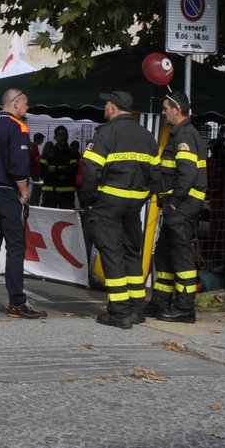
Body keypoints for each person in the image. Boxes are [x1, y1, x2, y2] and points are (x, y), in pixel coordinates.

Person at [81, 91, 159, 328]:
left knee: (112, 254)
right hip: (135, 205)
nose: (105, 108)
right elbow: (156, 175)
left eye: (106, 104)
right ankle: (136, 307)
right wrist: (143, 196)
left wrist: (89, 199)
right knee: (131, 252)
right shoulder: (147, 136)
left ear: (113, 108)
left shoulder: (105, 133)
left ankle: (118, 312)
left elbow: (91, 170)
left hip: (108, 204)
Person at [0, 88, 46, 318]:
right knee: (15, 247)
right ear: (15, 104)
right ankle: (17, 302)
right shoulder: (18, 128)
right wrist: (24, 193)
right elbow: (18, 166)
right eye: (25, 104)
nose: (27, 109)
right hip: (8, 192)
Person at [146, 91, 206, 324]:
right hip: (176, 206)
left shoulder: (185, 135)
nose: (163, 113)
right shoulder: (179, 134)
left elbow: (187, 173)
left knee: (181, 257)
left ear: (177, 109)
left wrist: (174, 201)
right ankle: (160, 302)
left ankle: (184, 308)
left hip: (181, 206)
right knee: (164, 255)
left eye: (165, 108)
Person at [41, 126, 79, 208]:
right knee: (47, 218)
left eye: (65, 135)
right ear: (55, 137)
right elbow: (41, 172)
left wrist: (54, 170)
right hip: (49, 193)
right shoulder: (47, 154)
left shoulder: (73, 154)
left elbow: (73, 172)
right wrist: (62, 174)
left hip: (67, 194)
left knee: (67, 220)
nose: (64, 137)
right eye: (61, 135)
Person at [28, 132, 45, 208]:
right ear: (38, 139)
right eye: (41, 140)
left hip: (33, 171)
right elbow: (35, 160)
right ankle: (34, 204)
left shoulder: (32, 147)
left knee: (36, 188)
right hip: (34, 171)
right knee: (36, 189)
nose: (42, 141)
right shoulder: (34, 148)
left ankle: (33, 203)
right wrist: (41, 157)